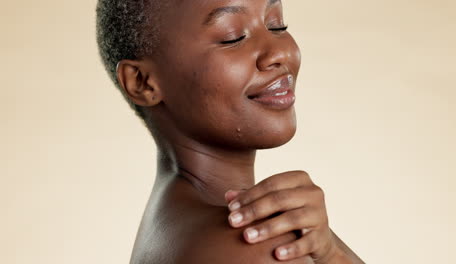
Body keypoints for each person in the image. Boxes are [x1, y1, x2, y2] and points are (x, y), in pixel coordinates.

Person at [96, 0, 365, 263]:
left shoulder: (168, 223)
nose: (280, 53)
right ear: (142, 82)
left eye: (276, 25)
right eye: (233, 37)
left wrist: (331, 252)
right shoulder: (254, 246)